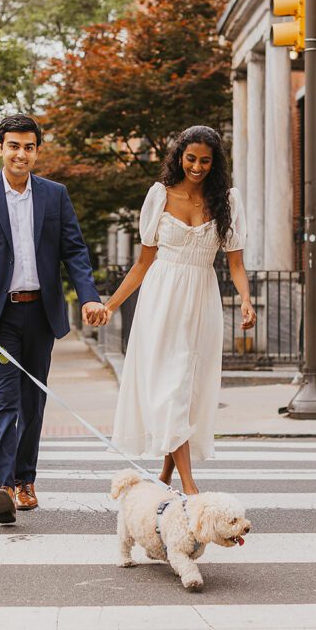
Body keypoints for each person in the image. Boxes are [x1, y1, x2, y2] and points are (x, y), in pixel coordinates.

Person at [0, 112, 108, 524]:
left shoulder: (55, 195)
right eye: (14, 146)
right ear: (0, 148)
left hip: (40, 312)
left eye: (29, 147)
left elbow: (74, 251)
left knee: (33, 402)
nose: (22, 154)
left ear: (37, 151)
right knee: (4, 399)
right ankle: (2, 487)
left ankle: (25, 479)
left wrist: (89, 297)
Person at [106, 125, 256, 496]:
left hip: (202, 301)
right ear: (179, 157)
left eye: (205, 161)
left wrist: (247, 300)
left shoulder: (228, 201)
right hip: (161, 302)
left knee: (186, 393)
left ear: (215, 163)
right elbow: (142, 264)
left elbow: (235, 264)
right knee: (170, 391)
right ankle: (191, 491)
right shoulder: (160, 196)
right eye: (191, 159)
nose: (197, 167)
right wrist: (110, 305)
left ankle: (163, 480)